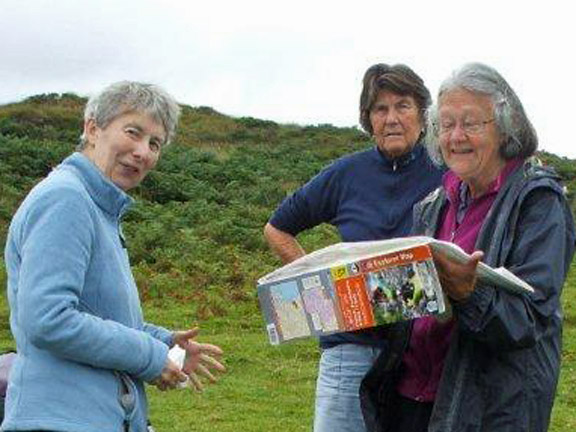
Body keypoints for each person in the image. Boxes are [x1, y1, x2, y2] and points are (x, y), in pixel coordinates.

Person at [361, 63, 575, 432]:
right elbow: (415, 305)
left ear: (505, 127)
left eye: (471, 123)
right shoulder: (433, 205)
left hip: (484, 413)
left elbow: (529, 323)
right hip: (409, 401)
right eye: (445, 125)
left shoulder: (538, 202)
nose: (456, 136)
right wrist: (364, 303)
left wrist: (468, 293)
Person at [2, 81, 225, 432]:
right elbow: (49, 318)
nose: (143, 152)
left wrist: (163, 342)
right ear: (92, 128)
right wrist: (150, 357)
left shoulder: (97, 206)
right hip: (61, 419)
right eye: (133, 132)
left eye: (155, 144)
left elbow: (96, 312)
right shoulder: (66, 199)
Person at [264, 64, 444, 432]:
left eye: (403, 106)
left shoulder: (447, 172)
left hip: (422, 353)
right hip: (351, 351)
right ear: (368, 119)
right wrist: (323, 298)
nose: (391, 118)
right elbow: (277, 229)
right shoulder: (346, 173)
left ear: (424, 115)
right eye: (380, 109)